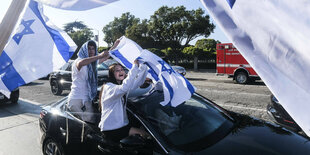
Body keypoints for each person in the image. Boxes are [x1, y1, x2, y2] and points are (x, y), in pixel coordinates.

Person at [67, 40, 118, 124]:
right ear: (84, 50)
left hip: (87, 98)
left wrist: (115, 45)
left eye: (93, 49)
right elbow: (82, 63)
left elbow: (106, 56)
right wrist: (99, 56)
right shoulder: (78, 61)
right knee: (82, 125)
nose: (91, 51)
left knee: (91, 123)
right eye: (89, 49)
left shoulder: (92, 63)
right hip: (76, 99)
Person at [98, 59, 150, 142]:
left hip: (122, 125)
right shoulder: (109, 87)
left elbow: (137, 83)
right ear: (112, 74)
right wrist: (135, 67)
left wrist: (143, 67)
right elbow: (125, 87)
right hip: (112, 129)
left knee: (143, 127)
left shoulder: (119, 86)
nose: (120, 71)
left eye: (122, 69)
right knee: (145, 135)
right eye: (117, 71)